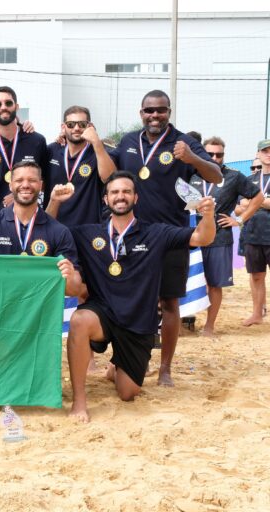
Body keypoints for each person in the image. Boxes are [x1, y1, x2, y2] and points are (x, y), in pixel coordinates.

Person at [67, 171, 216, 422]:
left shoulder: (156, 233)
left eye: (126, 191)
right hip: (103, 313)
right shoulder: (88, 233)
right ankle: (79, 401)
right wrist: (56, 201)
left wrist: (208, 215)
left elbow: (203, 237)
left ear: (136, 197)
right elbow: (49, 233)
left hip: (138, 323)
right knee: (79, 319)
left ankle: (116, 369)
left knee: (128, 392)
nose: (120, 196)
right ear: (106, 200)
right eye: (114, 192)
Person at [0, 161, 82, 420]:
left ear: (41, 186)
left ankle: (24, 393)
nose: (25, 185)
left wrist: (68, 274)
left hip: (33, 313)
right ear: (11, 185)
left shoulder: (58, 231)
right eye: (20, 180)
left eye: (32, 180)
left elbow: (74, 289)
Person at [108, 90, 221, 387]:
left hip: (171, 235)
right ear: (141, 111)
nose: (154, 116)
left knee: (169, 302)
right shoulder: (129, 141)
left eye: (160, 110)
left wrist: (193, 157)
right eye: (149, 110)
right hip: (131, 234)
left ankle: (165, 369)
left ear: (169, 111)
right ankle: (121, 360)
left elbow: (216, 176)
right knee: (126, 301)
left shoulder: (184, 142)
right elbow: (108, 171)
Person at [188, 136, 263, 336]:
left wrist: (239, 220)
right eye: (210, 154)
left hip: (219, 237)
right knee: (185, 282)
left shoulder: (233, 176)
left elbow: (258, 197)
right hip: (191, 237)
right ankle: (183, 323)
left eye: (219, 154)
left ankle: (209, 326)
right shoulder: (190, 173)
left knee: (215, 283)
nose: (214, 158)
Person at [0, 86, 50, 213]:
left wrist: (20, 195)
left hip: (29, 218)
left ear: (16, 107)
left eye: (8, 103)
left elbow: (44, 183)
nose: (3, 107)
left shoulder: (37, 141)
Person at [44, 106, 116, 226]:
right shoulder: (52, 150)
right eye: (71, 124)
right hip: (55, 228)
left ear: (89, 126)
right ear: (63, 127)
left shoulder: (99, 152)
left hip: (88, 229)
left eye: (82, 124)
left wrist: (96, 142)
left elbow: (110, 179)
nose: (76, 128)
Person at [238, 140, 270, 327]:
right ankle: (257, 313)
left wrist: (254, 201)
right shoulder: (249, 180)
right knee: (256, 276)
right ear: (258, 154)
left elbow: (247, 204)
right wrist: (263, 201)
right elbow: (240, 207)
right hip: (252, 235)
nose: (268, 154)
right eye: (264, 151)